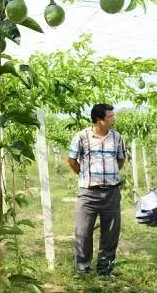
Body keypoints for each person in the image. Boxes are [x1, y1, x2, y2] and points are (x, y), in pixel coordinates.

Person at [68, 103, 127, 276]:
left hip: (112, 192)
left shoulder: (117, 138)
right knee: (83, 232)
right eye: (110, 117)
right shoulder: (81, 137)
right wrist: (85, 175)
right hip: (88, 193)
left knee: (110, 234)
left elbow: (120, 160)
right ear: (99, 120)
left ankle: (105, 269)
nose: (113, 120)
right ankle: (83, 269)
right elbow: (72, 160)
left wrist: (109, 176)